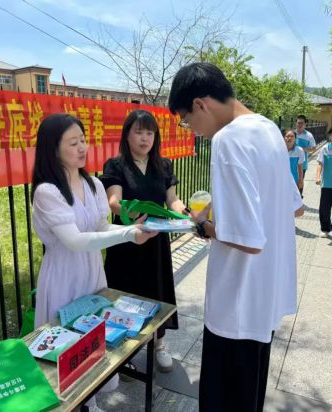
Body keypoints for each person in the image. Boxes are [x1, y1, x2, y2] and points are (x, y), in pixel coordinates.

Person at [168, 62, 304, 411]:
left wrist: (204, 225)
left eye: (187, 121)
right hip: (265, 298)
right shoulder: (268, 129)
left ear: (200, 104)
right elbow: (294, 207)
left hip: (237, 305)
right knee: (249, 397)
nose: (193, 131)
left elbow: (247, 240)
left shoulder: (228, 139)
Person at [31, 113, 157, 412]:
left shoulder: (93, 185)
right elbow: (75, 240)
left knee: (93, 339)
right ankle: (71, 404)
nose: (82, 148)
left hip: (92, 273)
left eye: (83, 140)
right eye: (73, 142)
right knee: (65, 345)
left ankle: (91, 401)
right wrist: (128, 233)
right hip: (63, 277)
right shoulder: (47, 192)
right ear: (53, 149)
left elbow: (100, 227)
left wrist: (132, 231)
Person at [100, 109, 187, 373]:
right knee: (125, 291)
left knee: (156, 289)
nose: (145, 138)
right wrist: (131, 212)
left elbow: (172, 199)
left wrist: (184, 212)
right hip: (126, 239)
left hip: (156, 241)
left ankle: (159, 344)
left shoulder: (163, 165)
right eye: (138, 132)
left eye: (150, 133)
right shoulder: (116, 165)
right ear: (127, 135)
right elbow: (113, 201)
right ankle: (123, 351)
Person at [295, 115, 316, 197]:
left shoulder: (309, 135)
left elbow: (313, 148)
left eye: (302, 123)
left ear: (305, 124)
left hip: (302, 163)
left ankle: (299, 197)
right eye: (298, 123)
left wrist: (302, 149)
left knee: (300, 180)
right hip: (291, 163)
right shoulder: (292, 133)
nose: (299, 125)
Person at [285, 129, 305, 195]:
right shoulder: (279, 150)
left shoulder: (299, 150)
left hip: (294, 181)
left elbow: (300, 166)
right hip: (281, 181)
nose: (289, 138)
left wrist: (301, 180)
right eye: (287, 136)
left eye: (292, 136)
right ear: (284, 138)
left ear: (295, 138)